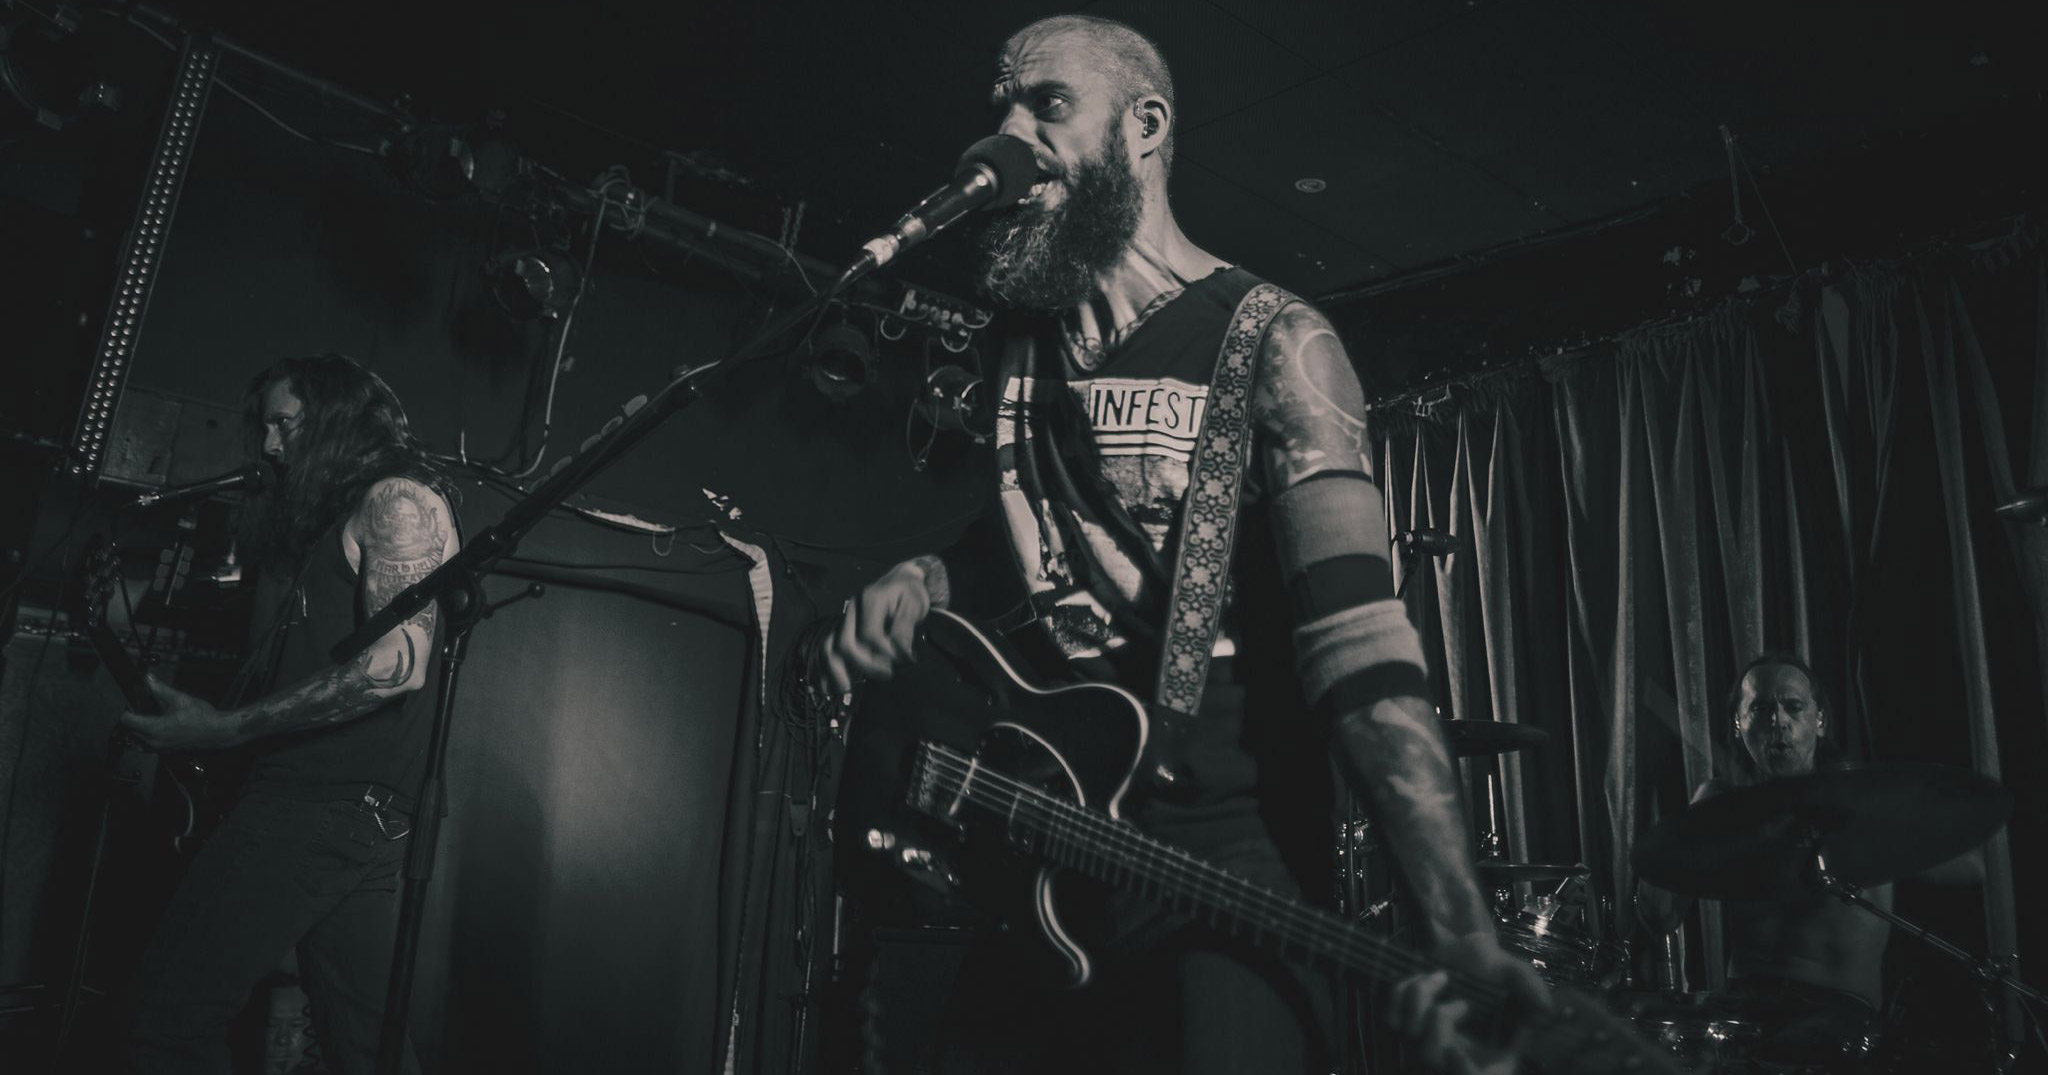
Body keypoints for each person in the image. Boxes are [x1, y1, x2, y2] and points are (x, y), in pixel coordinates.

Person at [813, 15, 1544, 1075]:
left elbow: (1360, 646)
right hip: (1053, 843)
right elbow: (1034, 532)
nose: (1010, 134)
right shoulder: (1023, 345)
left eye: (1047, 105)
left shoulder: (1276, 342)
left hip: (1223, 855)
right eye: (1001, 108)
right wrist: (927, 574)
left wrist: (1456, 923)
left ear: (1144, 125)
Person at [115, 354, 457, 1074]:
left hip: (317, 803)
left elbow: (398, 665)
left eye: (285, 423)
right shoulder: (337, 521)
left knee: (167, 1016)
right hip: (355, 812)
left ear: (337, 417)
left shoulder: (397, 499)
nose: (270, 445)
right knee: (369, 1049)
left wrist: (225, 728)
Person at [1635, 653, 1984, 1066]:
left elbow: (1971, 867)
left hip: (1838, 1009)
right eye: (1760, 709)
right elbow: (1657, 915)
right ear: (1738, 725)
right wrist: (1697, 832)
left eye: (1793, 706)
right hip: (1745, 1004)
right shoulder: (1723, 804)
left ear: (1819, 721)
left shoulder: (1862, 797)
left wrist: (1853, 830)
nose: (1778, 721)